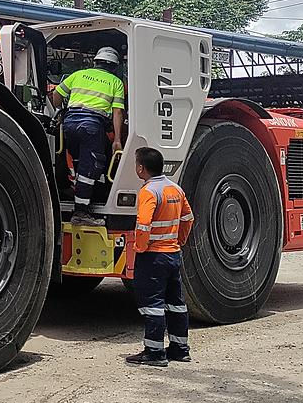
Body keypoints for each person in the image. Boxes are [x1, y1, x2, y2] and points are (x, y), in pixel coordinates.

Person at [126, 146, 195, 368]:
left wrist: (140, 247)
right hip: (173, 254)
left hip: (153, 256)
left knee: (153, 305)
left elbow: (143, 224)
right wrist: (180, 241)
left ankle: (155, 353)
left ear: (141, 168)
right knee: (176, 303)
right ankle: (180, 349)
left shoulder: (148, 192)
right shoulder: (175, 189)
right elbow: (188, 218)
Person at [51, 47, 126, 224]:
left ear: (96, 62)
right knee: (90, 167)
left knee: (75, 161)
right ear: (114, 66)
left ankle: (72, 190)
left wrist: (60, 110)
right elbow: (117, 113)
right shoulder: (115, 82)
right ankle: (81, 212)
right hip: (92, 127)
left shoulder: (79, 75)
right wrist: (117, 140)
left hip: (69, 125)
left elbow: (56, 94)